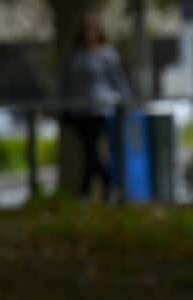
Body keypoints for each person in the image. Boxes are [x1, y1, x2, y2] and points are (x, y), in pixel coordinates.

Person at [61, 13, 132, 200]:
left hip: (101, 108)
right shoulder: (75, 55)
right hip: (79, 109)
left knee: (91, 150)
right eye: (86, 29)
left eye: (92, 29)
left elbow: (119, 80)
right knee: (89, 152)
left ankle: (87, 192)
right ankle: (107, 188)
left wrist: (125, 102)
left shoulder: (107, 54)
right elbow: (66, 83)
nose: (89, 33)